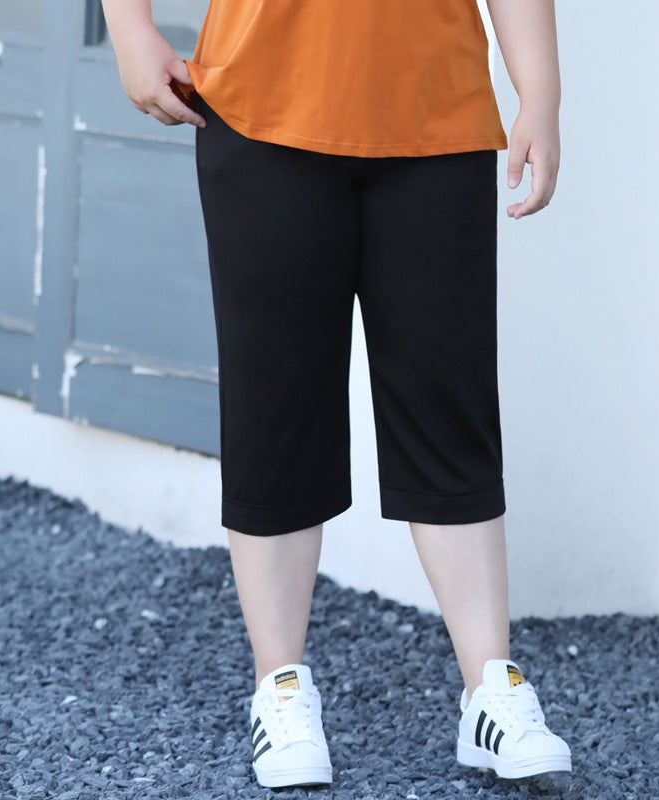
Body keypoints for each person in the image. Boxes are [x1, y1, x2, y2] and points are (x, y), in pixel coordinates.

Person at [102, 0, 571, 789]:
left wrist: (541, 92)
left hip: (437, 114)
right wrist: (128, 29)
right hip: (261, 106)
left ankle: (491, 690)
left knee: (448, 404)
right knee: (276, 411)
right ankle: (280, 687)